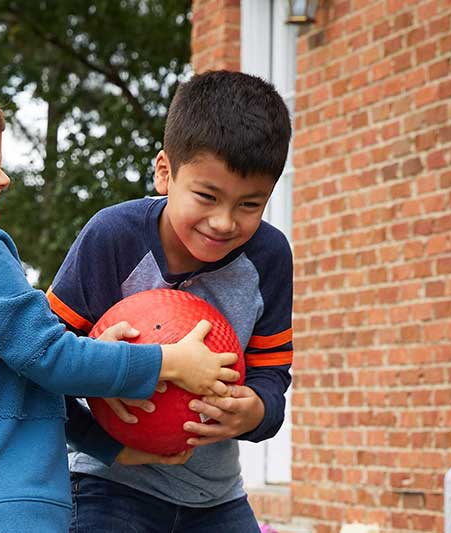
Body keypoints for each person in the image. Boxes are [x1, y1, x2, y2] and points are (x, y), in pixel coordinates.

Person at [0, 73, 241, 533]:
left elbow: (23, 388)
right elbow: (48, 357)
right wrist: (166, 362)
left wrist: (113, 448)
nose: (3, 178)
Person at [48, 70, 294, 532]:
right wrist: (102, 438)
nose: (223, 222)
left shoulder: (270, 257)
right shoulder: (112, 238)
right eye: (207, 195)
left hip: (216, 498)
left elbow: (272, 375)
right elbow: (39, 364)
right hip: (109, 486)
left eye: (249, 205)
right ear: (165, 172)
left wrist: (254, 411)